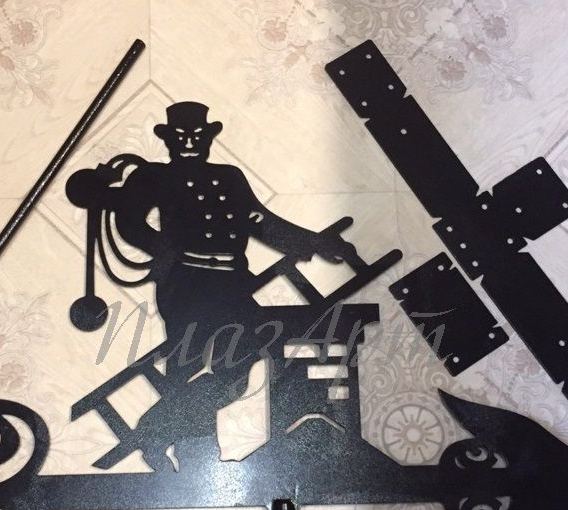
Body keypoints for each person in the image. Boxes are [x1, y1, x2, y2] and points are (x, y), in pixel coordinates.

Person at [66, 101, 358, 468]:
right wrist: (164, 251)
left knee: (240, 364)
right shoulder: (155, 177)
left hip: (232, 283)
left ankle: (154, 432)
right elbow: (129, 221)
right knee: (187, 364)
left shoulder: (229, 177)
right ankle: (191, 455)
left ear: (207, 138)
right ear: (168, 140)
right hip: (187, 283)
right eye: (180, 137)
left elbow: (260, 221)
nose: (189, 143)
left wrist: (314, 242)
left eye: (196, 136)